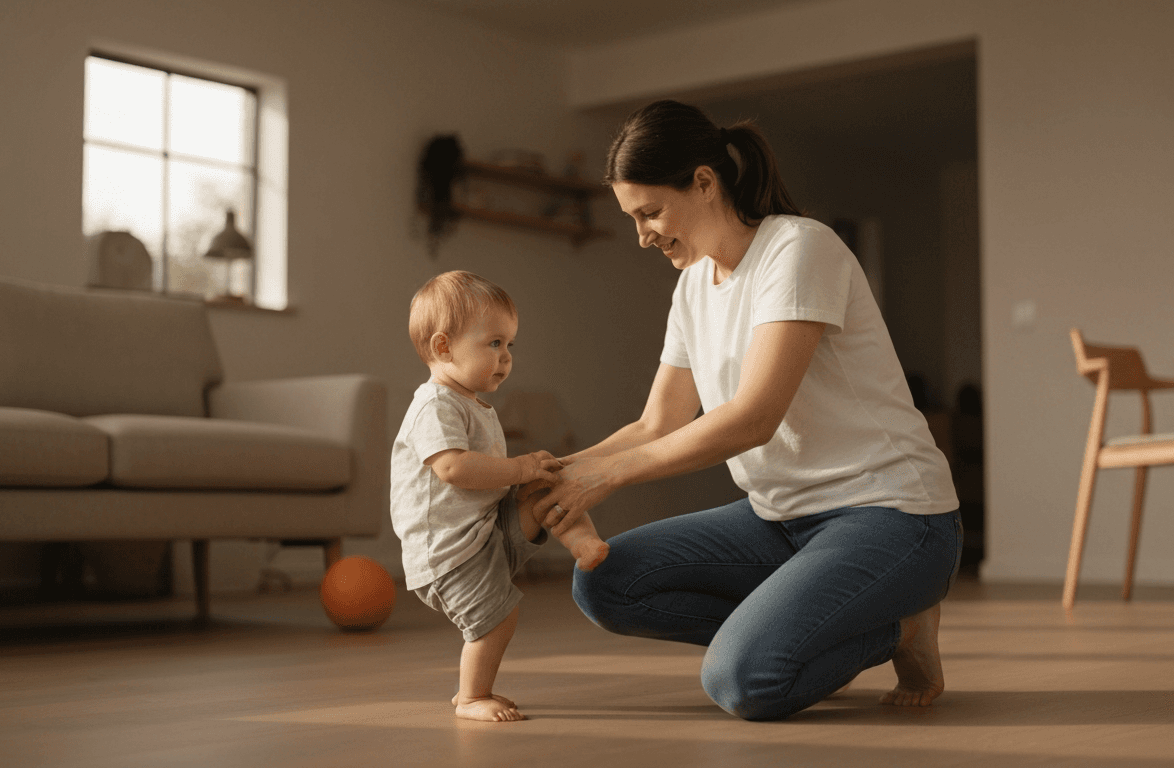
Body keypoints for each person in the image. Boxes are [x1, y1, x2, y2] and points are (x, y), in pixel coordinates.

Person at [523, 100, 963, 722]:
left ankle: (903, 630)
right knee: (605, 583)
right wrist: (553, 472)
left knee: (745, 680)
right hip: (780, 520)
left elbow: (754, 417)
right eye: (632, 217)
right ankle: (799, 627)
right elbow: (659, 423)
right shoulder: (693, 287)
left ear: (704, 183)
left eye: (651, 212)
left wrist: (608, 476)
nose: (642, 235)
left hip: (891, 515)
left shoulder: (799, 249)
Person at [391, 270, 610, 723]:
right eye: (493, 344)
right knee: (496, 619)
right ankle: (471, 697)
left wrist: (527, 473)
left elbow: (499, 478)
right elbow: (452, 468)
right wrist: (517, 469)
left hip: (486, 534)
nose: (506, 357)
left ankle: (582, 542)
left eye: (510, 345)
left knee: (549, 480)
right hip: (450, 552)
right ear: (443, 347)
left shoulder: (474, 403)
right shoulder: (435, 405)